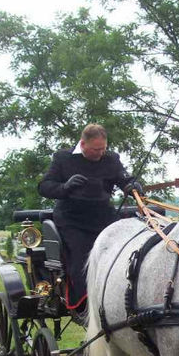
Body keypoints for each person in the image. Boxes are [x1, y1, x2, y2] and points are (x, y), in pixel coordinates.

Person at [38, 123, 143, 309]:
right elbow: (44, 186)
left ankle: (117, 300)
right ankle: (85, 306)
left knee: (121, 256)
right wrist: (65, 187)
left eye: (103, 148)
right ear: (83, 144)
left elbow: (125, 178)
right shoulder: (63, 158)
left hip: (104, 219)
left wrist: (132, 185)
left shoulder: (111, 159)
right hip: (72, 221)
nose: (100, 153)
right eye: (96, 149)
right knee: (82, 261)